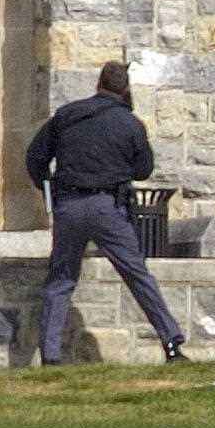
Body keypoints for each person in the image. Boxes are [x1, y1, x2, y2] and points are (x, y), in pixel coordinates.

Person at [26, 61, 188, 365]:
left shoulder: (67, 115)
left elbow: (36, 156)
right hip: (107, 208)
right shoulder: (130, 123)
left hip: (69, 206)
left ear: (98, 83)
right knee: (137, 274)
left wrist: (47, 188)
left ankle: (50, 356)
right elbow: (143, 169)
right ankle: (171, 343)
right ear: (125, 88)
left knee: (61, 279)